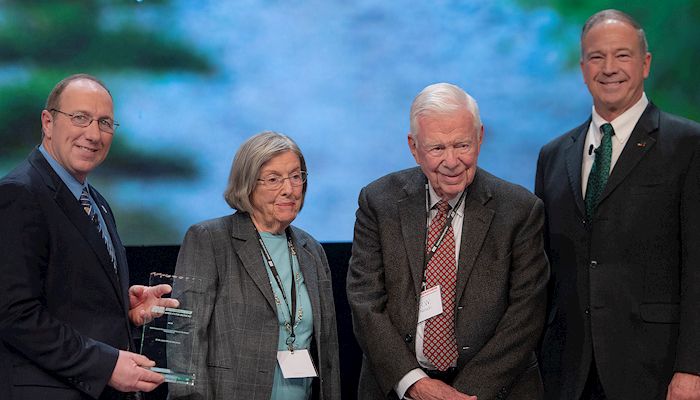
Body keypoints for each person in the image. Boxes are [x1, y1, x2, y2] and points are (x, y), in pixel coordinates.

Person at [536, 9, 700, 400]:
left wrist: (691, 368)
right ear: (582, 67)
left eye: (622, 55)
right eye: (597, 57)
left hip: (656, 372)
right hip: (569, 374)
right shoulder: (553, 155)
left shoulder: (688, 145)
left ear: (645, 64)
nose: (609, 68)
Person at [347, 82, 549, 400]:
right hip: (400, 390)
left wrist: (463, 396)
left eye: (462, 145)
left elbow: (526, 314)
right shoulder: (378, 202)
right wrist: (416, 384)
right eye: (437, 148)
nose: (452, 161)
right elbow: (365, 301)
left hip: (494, 392)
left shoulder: (520, 210)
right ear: (414, 147)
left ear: (480, 138)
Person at [0, 74, 178, 399]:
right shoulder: (19, 194)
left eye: (105, 123)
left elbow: (61, 296)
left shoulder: (95, 201)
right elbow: (14, 314)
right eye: (80, 118)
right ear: (48, 122)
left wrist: (121, 307)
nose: (93, 134)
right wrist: (106, 365)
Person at [169, 131, 340, 400]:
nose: (289, 189)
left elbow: (327, 350)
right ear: (247, 185)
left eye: (296, 176)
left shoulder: (312, 250)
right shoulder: (210, 240)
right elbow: (185, 336)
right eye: (274, 179)